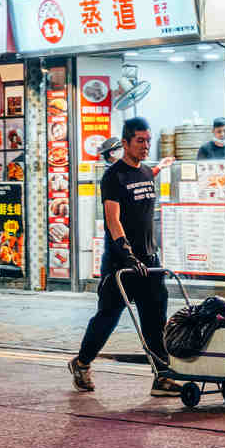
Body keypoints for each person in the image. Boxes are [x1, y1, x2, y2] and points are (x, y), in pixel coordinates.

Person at [70, 116, 171, 395]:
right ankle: (82, 363)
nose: (145, 146)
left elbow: (148, 178)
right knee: (108, 317)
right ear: (125, 143)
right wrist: (126, 253)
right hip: (121, 263)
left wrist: (161, 166)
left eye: (148, 141)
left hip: (149, 262)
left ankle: (162, 376)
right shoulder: (114, 176)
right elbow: (112, 219)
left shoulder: (145, 172)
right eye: (140, 141)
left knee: (155, 318)